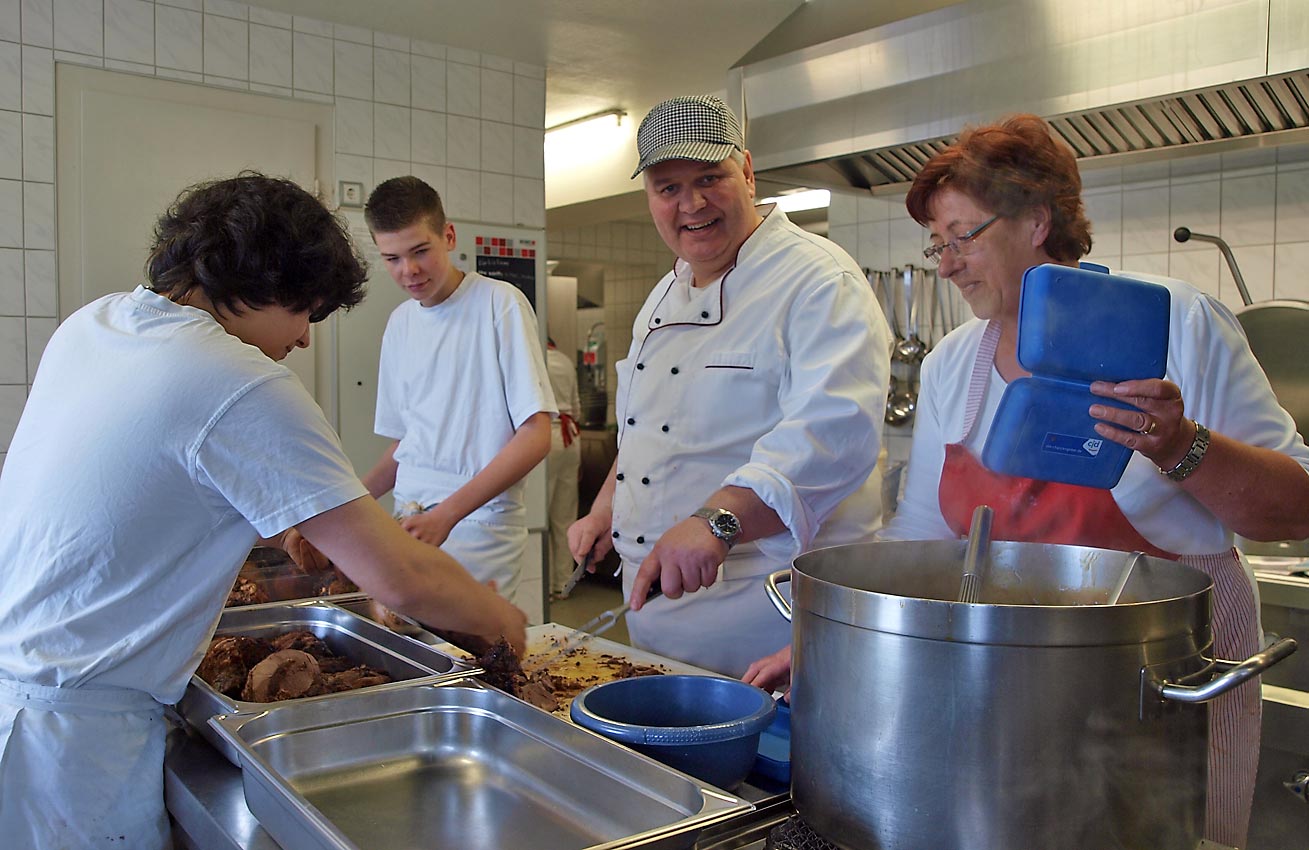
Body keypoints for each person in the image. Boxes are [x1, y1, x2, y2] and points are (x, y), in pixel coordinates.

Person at [747, 114, 1309, 848]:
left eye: (960, 237)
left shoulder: (1179, 326)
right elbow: (921, 538)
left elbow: (1293, 507)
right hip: (1004, 683)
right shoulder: (953, 361)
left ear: (1037, 220)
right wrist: (835, 639)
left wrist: (1178, 444)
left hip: (1152, 677)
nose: (944, 264)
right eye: (936, 243)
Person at [0, 173, 527, 850]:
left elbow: (151, 485)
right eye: (306, 310)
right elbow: (401, 577)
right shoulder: (235, 378)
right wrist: (503, 624)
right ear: (264, 286)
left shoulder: (96, 323)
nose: (305, 339)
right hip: (79, 740)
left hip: (27, 696)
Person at [567, 95, 892, 677]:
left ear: (746, 169)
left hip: (760, 618)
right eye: (667, 188)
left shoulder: (817, 280)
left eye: (709, 178)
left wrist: (717, 523)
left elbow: (831, 434)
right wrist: (604, 511)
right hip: (655, 612)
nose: (690, 204)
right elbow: (646, 434)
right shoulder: (662, 298)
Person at [360, 176, 556, 601]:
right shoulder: (400, 324)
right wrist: (347, 506)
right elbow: (407, 444)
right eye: (392, 258)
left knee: (470, 658)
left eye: (420, 252)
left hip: (479, 527)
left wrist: (447, 514)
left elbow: (537, 435)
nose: (408, 271)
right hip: (410, 522)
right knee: (415, 653)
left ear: (448, 236)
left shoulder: (498, 304)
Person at [544, 338, 582, 598]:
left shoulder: (537, 360)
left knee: (541, 514)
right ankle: (563, 583)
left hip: (545, 436)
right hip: (571, 436)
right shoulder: (566, 361)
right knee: (565, 515)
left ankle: (543, 585)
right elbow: (576, 407)